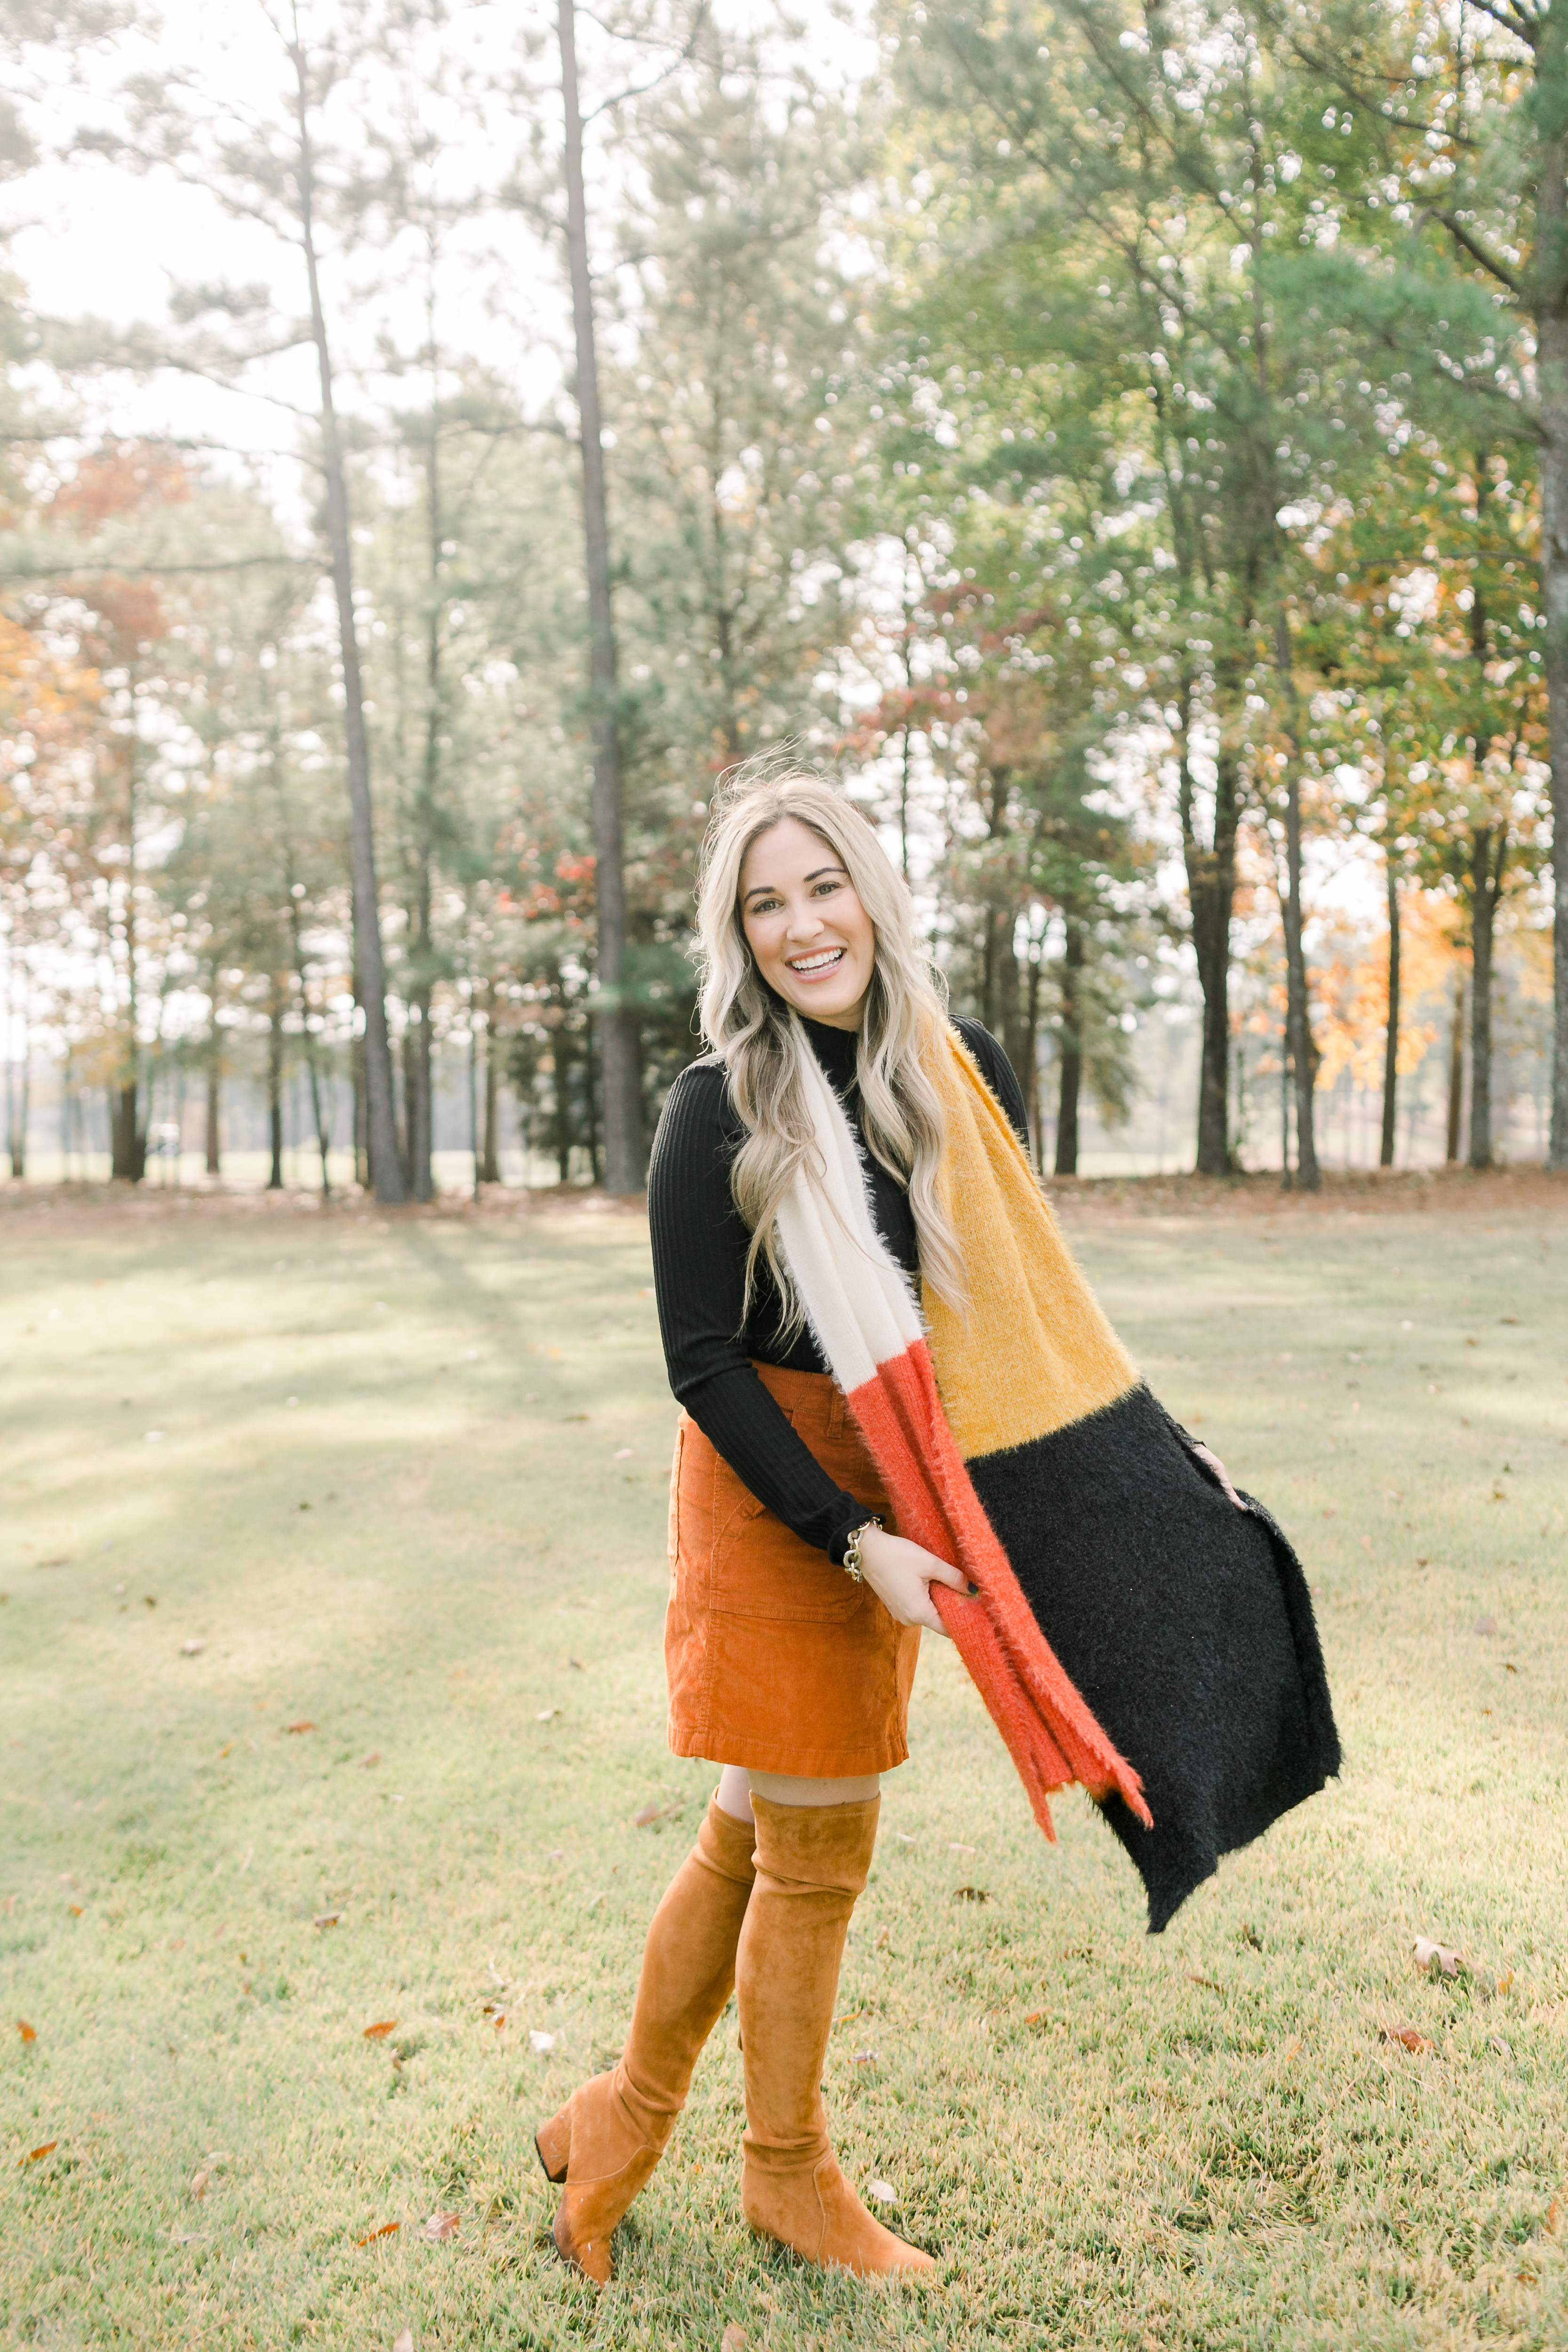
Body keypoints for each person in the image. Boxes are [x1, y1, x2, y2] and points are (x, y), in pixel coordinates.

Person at [535, 767, 1030, 2285]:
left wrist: (1133, 1455)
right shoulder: (722, 1105)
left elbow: (1017, 1314)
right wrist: (846, 1539)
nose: (803, 924)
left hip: (903, 1483)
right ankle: (786, 2177)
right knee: (816, 1852)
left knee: (756, 1837)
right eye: (767, 902)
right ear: (739, 936)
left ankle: (612, 2118)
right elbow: (699, 1361)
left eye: (824, 887)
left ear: (873, 894)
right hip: (777, 1499)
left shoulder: (967, 1074)